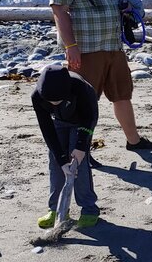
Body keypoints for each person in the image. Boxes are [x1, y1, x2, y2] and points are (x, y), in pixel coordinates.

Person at [49, 0, 152, 153]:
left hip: (113, 46)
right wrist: (71, 47)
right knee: (84, 103)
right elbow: (59, 11)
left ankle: (134, 141)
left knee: (122, 95)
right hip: (86, 50)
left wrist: (129, 6)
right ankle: (80, 150)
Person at [32, 64, 101, 228]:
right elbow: (47, 130)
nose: (54, 103)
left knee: (79, 163)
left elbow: (88, 118)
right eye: (51, 101)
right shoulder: (37, 96)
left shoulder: (80, 88)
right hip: (60, 122)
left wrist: (80, 146)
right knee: (55, 162)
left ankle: (89, 209)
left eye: (59, 100)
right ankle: (56, 209)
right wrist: (61, 159)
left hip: (83, 120)